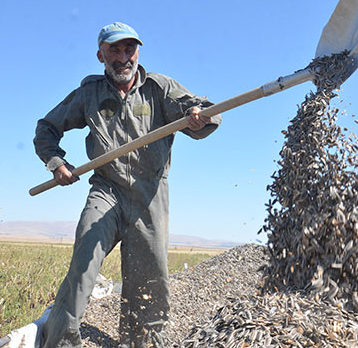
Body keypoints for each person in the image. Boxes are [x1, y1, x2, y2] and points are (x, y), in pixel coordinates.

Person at [33, 22, 222, 348]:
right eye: (114, 50)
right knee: (83, 263)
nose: (123, 57)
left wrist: (199, 115)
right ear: (101, 55)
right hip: (107, 189)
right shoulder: (89, 93)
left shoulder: (158, 88)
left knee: (149, 278)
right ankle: (62, 341)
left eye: (129, 49)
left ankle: (142, 343)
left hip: (150, 194)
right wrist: (57, 164)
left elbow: (201, 111)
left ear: (138, 52)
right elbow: (47, 129)